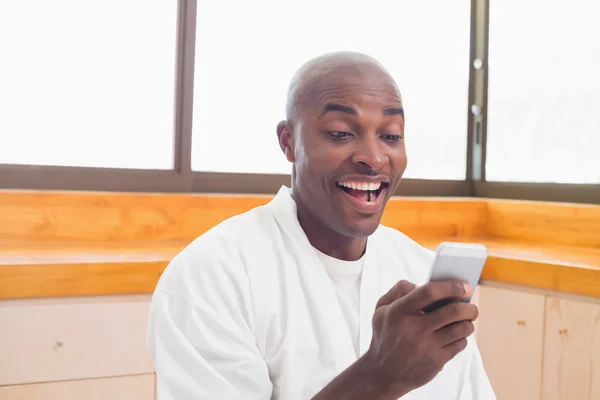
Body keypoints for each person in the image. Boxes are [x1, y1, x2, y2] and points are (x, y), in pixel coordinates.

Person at [146, 51, 496, 399]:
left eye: (390, 135)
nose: (374, 159)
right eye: (341, 133)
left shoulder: (420, 273)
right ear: (288, 142)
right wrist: (379, 377)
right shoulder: (212, 279)